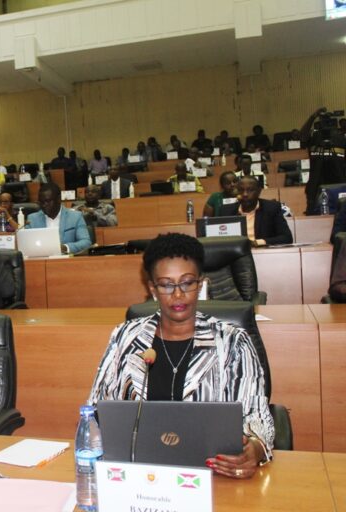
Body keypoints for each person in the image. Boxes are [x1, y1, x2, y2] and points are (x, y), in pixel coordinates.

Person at [89, 233, 274, 479]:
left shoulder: (233, 342)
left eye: (187, 283)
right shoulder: (126, 337)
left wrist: (255, 449)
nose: (178, 295)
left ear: (201, 284)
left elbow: (258, 417)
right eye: (166, 285)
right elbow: (95, 411)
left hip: (213, 476)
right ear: (152, 289)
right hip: (138, 474)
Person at [223, 176, 293, 246]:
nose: (245, 194)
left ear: (259, 191)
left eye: (250, 190)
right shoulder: (227, 211)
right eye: (241, 190)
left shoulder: (271, 208)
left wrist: (257, 242)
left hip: (263, 253)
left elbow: (287, 238)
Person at [27, 182, 92, 254]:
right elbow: (26, 245)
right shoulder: (32, 219)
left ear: (59, 199)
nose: (44, 205)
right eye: (41, 202)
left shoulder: (75, 217)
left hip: (65, 262)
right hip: (40, 261)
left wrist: (65, 247)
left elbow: (86, 242)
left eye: (47, 201)